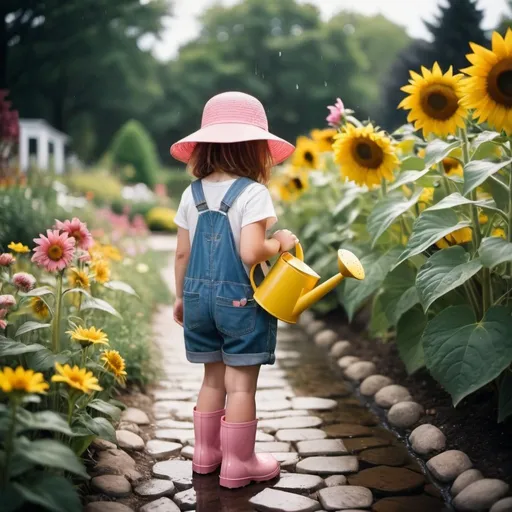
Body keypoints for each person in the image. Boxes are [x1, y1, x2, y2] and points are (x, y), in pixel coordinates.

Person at [171, 91, 297, 489]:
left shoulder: (191, 194)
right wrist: (280, 243)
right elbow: (249, 252)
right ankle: (239, 463)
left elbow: (181, 254)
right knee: (240, 384)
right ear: (254, 150)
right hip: (238, 301)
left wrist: (179, 298)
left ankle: (206, 456)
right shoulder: (252, 193)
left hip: (197, 300)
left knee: (211, 379)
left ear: (205, 146)